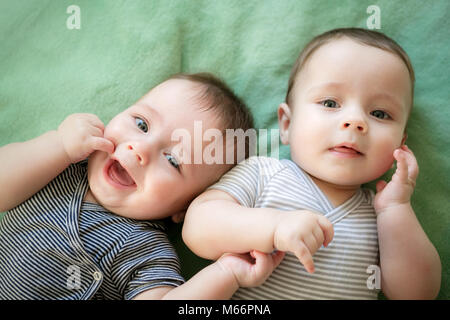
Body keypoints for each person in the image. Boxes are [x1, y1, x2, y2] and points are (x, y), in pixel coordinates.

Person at [182, 28, 442, 299]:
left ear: (401, 143)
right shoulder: (264, 173)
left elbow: (417, 294)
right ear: (287, 124)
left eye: (380, 113)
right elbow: (198, 227)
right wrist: (274, 227)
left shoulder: (381, 215)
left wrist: (396, 209)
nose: (355, 121)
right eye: (330, 103)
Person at [0, 73, 284, 300]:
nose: (141, 150)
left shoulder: (145, 249)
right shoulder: (60, 168)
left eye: (173, 161)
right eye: (142, 124)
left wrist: (226, 273)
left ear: (185, 208)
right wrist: (58, 145)